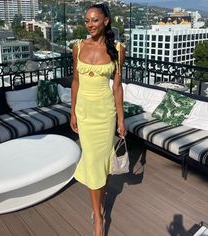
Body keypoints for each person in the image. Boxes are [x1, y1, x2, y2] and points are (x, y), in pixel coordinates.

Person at [70, 3, 126, 236]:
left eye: (94, 20)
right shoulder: (78, 47)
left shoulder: (118, 49)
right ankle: (99, 218)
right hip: (85, 113)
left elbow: (118, 88)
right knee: (93, 164)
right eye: (87, 21)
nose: (90, 25)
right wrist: (72, 111)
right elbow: (75, 81)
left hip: (105, 115)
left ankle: (99, 210)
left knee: (101, 166)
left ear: (106, 21)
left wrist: (121, 121)